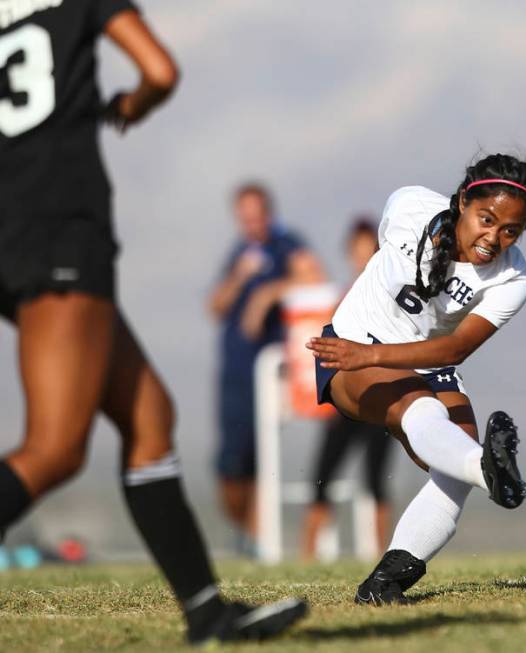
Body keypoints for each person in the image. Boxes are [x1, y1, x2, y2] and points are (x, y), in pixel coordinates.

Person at [0, 2, 304, 644]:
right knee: (55, 449)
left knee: (149, 422)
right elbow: (160, 71)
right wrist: (126, 109)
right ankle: (208, 614)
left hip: (14, 230)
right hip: (60, 230)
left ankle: (207, 615)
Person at [307, 153, 526, 603]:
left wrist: (378, 355)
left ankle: (385, 583)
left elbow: (454, 350)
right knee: (426, 413)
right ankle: (490, 471)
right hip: (351, 348)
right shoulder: (409, 206)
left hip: (424, 362)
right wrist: (365, 352)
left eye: (510, 230)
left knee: (453, 471)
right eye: (486, 219)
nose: (493, 237)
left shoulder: (513, 277)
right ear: (462, 202)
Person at [208, 183, 319, 541]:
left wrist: (267, 293)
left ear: (268, 213)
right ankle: (247, 535)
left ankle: (262, 539)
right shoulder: (240, 252)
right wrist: (240, 277)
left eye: (257, 216)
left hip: (266, 373)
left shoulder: (286, 244)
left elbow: (315, 277)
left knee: (261, 458)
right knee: (230, 464)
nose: (252, 223)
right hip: (234, 371)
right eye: (245, 218)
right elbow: (215, 307)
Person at [300, 218, 395, 560]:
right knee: (322, 478)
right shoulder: (344, 297)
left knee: (376, 481)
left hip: (380, 399)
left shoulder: (390, 292)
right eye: (356, 251)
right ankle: (306, 556)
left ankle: (386, 554)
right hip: (345, 402)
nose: (362, 258)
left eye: (367, 250)